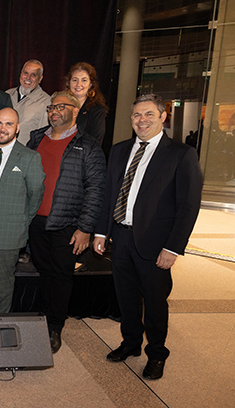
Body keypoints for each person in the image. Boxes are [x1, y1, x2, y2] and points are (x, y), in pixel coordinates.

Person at [94, 94, 203, 380]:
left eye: (148, 115)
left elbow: (188, 206)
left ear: (162, 116)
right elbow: (109, 196)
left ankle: (157, 353)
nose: (142, 120)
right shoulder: (119, 150)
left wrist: (173, 247)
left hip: (157, 244)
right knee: (126, 298)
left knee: (155, 303)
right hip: (121, 238)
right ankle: (130, 343)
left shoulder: (181, 154)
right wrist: (102, 231)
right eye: (136, 116)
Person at [26, 91, 106, 354]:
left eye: (61, 106)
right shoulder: (36, 138)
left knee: (61, 275)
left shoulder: (89, 145)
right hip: (36, 221)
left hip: (68, 224)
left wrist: (85, 228)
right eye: (52, 107)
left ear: (75, 109)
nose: (55, 111)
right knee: (44, 271)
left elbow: (96, 190)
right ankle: (45, 316)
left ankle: (54, 327)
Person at [0, 108, 45, 313]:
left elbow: (36, 194)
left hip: (8, 230)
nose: (3, 128)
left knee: (2, 285)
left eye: (9, 124)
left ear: (17, 128)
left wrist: (21, 221)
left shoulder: (30, 157)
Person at [5, 60, 51, 145]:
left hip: (25, 155)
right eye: (25, 73)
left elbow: (43, 138)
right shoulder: (7, 95)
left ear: (40, 78)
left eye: (33, 75)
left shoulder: (47, 102)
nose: (28, 77)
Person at [65, 62, 108, 146]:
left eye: (84, 80)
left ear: (90, 84)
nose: (78, 84)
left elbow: (95, 141)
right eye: (75, 80)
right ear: (69, 83)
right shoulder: (61, 106)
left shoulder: (97, 110)